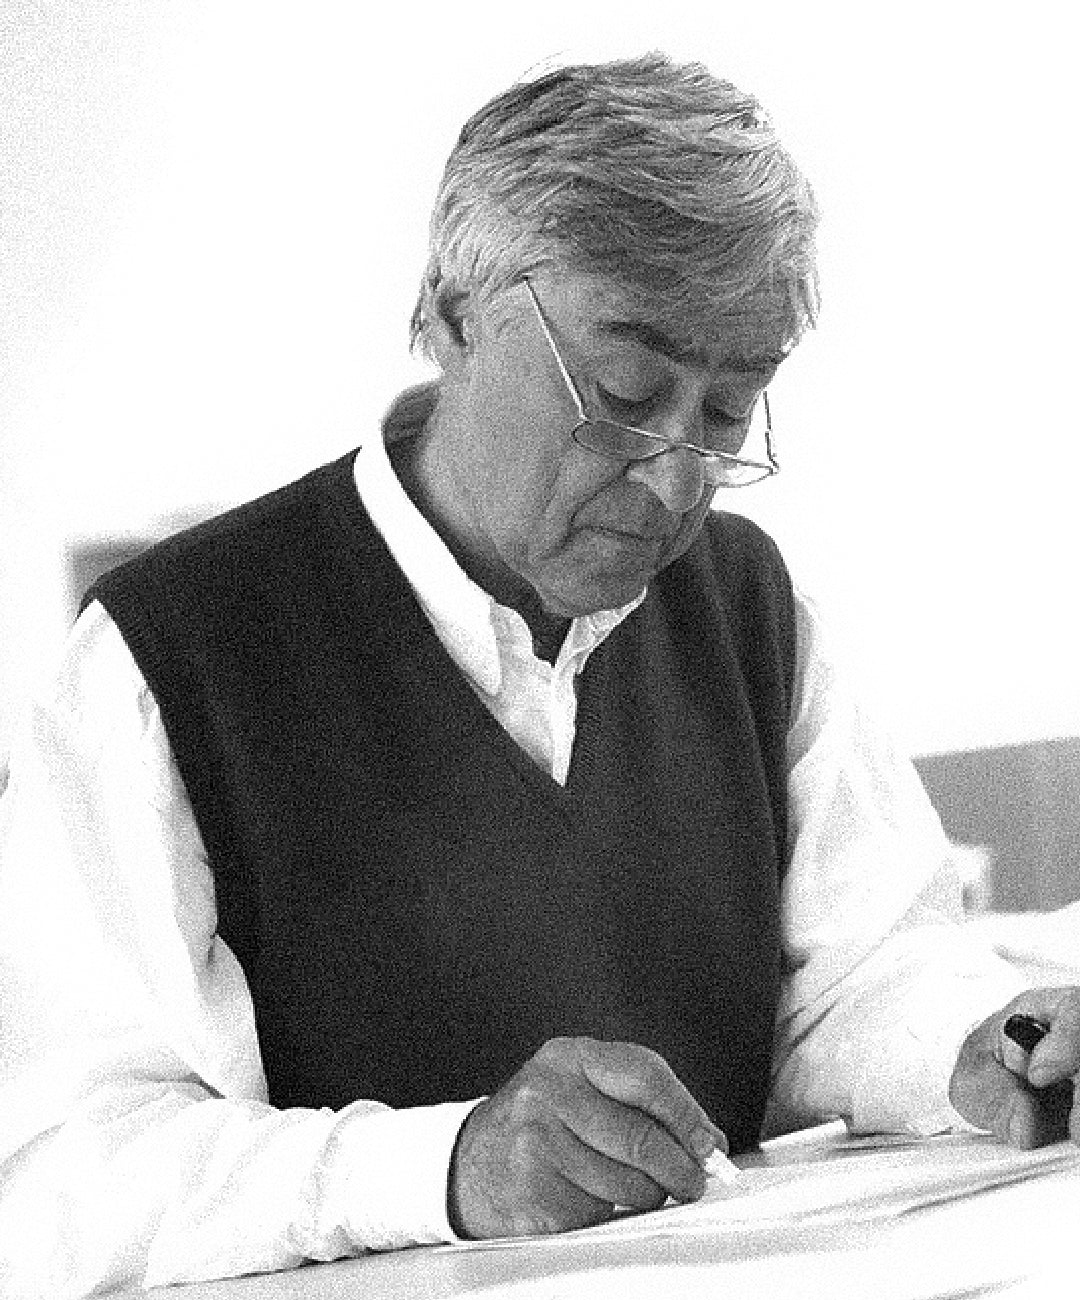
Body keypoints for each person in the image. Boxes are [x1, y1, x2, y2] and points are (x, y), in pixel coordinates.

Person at [0, 51, 1077, 1297]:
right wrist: (442, 1166)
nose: (676, 475)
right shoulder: (168, 656)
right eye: (625, 392)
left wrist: (980, 1043)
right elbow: (56, 1173)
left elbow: (848, 979)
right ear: (453, 314)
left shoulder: (748, 608)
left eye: (728, 411)